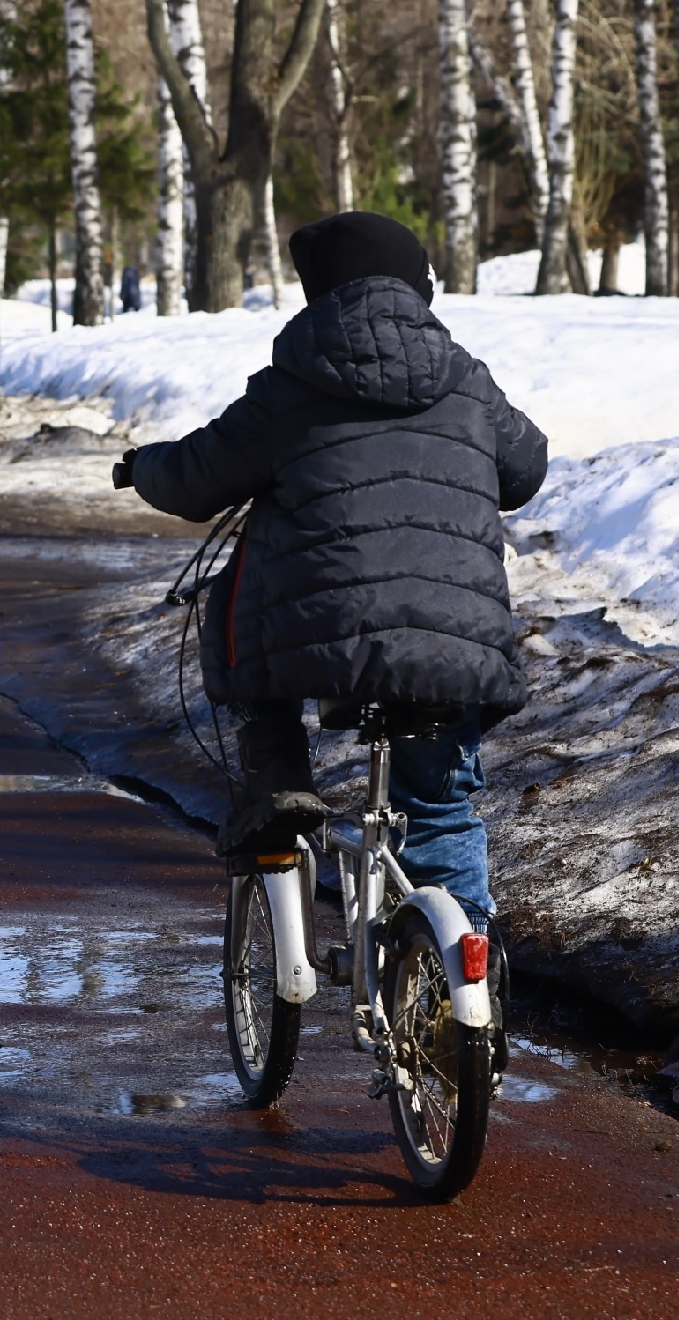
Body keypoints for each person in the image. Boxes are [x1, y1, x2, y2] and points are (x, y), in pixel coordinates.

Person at [114, 211, 547, 943]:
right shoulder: (466, 378)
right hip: (458, 649)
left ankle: (278, 776)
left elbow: (194, 481)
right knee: (441, 813)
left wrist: (140, 463)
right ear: (418, 286)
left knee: (235, 601)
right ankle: (463, 998)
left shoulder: (291, 384)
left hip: (319, 645)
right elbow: (525, 467)